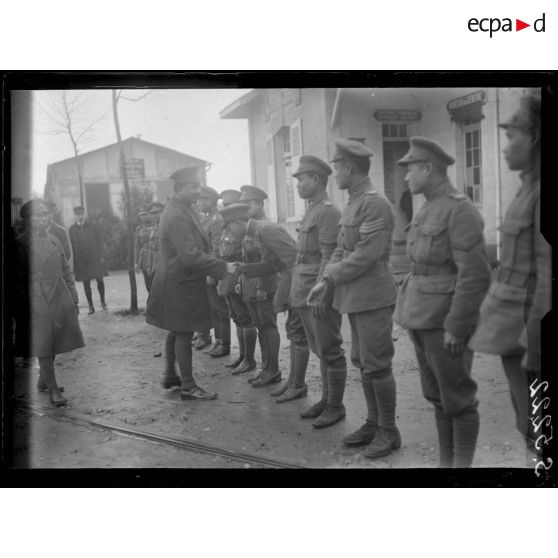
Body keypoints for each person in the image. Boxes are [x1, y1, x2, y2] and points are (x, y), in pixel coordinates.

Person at [394, 136, 491, 468]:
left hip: (445, 320)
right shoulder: (428, 206)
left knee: (459, 400)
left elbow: (476, 275)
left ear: (428, 168)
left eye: (410, 169)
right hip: (420, 315)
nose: (406, 177)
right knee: (437, 397)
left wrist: (456, 326)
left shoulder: (458, 209)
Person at [470, 93, 549, 458]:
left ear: (535, 137)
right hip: (518, 337)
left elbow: (548, 275)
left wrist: (535, 343)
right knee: (531, 430)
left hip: (533, 343)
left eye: (511, 134)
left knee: (541, 433)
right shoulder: (528, 187)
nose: (505, 145)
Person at [308, 139, 399, 455]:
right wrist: (325, 279)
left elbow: (366, 255)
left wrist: (330, 276)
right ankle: (374, 423)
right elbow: (340, 248)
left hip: (373, 294)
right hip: (357, 296)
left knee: (377, 364)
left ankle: (388, 430)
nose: (334, 174)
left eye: (335, 167)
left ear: (349, 167)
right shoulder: (354, 202)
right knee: (364, 361)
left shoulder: (374, 203)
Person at [145, 168, 238, 401]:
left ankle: (170, 374)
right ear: (180, 188)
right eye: (193, 187)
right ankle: (188, 385)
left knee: (176, 330)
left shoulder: (182, 208)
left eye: (199, 186)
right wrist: (222, 267)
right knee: (184, 332)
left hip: (176, 280)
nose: (198, 190)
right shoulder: (177, 214)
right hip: (179, 281)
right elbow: (189, 255)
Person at [286, 155, 348, 420]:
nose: (298, 184)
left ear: (317, 179)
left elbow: (329, 254)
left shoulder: (328, 211)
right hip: (304, 287)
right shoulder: (312, 209)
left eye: (301, 179)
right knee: (319, 349)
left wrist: (323, 288)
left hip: (317, 290)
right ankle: (327, 400)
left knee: (330, 349)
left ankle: (336, 406)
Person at [227, 203, 309, 394]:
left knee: (296, 334)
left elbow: (294, 262)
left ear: (238, 223)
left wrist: (293, 291)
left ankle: (297, 385)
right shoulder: (258, 232)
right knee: (292, 332)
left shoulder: (266, 230)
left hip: (298, 283)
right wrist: (245, 269)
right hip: (291, 283)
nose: (230, 232)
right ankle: (292, 382)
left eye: (229, 226)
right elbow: (273, 265)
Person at [14, 199, 85, 407]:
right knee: (44, 343)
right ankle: (54, 390)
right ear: (28, 219)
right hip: (37, 299)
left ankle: (43, 381)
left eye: (46, 215)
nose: (45, 219)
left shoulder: (54, 239)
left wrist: (73, 296)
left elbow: (66, 270)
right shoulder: (19, 244)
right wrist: (25, 306)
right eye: (39, 215)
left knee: (55, 340)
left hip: (59, 296)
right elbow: (17, 280)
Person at [237, 185, 282, 388]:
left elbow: (271, 261)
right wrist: (241, 281)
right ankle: (266, 368)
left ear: (259, 204)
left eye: (248, 204)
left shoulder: (266, 227)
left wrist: (264, 286)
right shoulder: (251, 226)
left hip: (263, 283)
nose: (245, 208)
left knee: (268, 326)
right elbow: (246, 257)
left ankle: (273, 370)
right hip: (250, 282)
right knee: (260, 326)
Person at [216, 194, 258, 375]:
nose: (225, 208)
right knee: (236, 316)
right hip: (227, 275)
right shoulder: (227, 228)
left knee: (245, 317)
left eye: (229, 204)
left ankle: (249, 359)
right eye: (224, 205)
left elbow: (246, 255)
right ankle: (242, 356)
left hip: (238, 275)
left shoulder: (243, 228)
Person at [194, 186, 231, 356]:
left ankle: (223, 344)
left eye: (201, 199)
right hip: (206, 267)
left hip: (213, 268)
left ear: (210, 200)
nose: (198, 203)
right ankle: (218, 341)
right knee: (213, 308)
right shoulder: (206, 219)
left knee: (220, 308)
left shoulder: (217, 219)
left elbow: (217, 248)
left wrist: (212, 272)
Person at [68, 206, 109, 314]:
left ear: (84, 214)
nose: (80, 216)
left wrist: (101, 256)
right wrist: (73, 262)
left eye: (81, 214)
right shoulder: (72, 230)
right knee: (86, 284)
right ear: (75, 216)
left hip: (94, 259)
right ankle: (91, 306)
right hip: (81, 261)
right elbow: (71, 246)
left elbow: (100, 242)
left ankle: (103, 302)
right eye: (77, 214)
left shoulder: (92, 226)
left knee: (100, 280)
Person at [45, 200, 73, 267]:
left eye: (50, 213)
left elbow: (67, 254)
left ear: (54, 214)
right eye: (45, 213)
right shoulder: (36, 231)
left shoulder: (61, 231)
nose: (47, 216)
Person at [134, 207, 153, 292]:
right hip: (145, 257)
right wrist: (136, 262)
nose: (143, 217)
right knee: (147, 281)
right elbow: (137, 246)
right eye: (141, 215)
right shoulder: (139, 229)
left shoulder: (155, 226)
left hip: (155, 255)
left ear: (149, 215)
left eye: (145, 214)